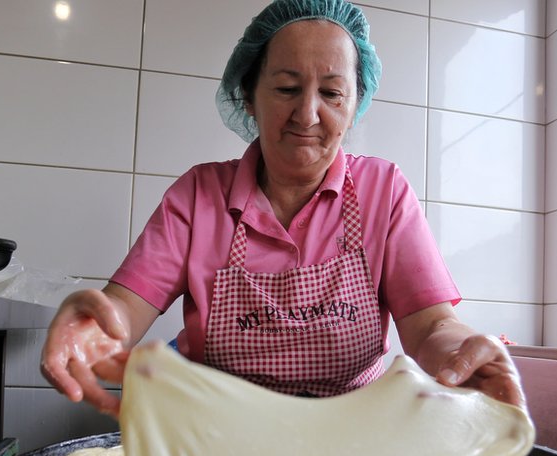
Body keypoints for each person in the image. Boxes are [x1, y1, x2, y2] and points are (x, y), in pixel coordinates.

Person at [40, 0, 525, 415]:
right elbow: (123, 311)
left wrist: (461, 355)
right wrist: (91, 331)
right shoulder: (199, 195)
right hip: (216, 435)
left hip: (349, 436)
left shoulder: (384, 191)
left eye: (332, 93)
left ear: (355, 104)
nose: (308, 114)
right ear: (249, 97)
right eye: (288, 88)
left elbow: (432, 327)